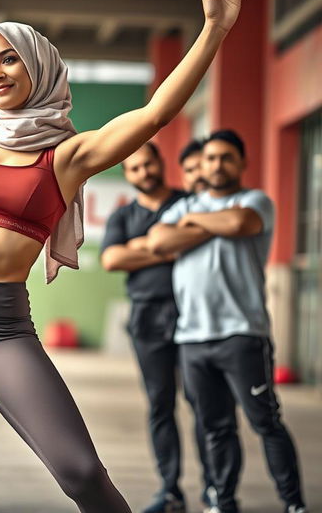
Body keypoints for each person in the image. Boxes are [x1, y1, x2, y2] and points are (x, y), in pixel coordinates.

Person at [0, 0, 248, 513]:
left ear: (39, 65)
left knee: (81, 472)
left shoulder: (67, 157)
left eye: (10, 60)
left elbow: (154, 115)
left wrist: (213, 30)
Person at [148, 129, 307, 513]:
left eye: (226, 158)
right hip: (193, 338)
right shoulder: (186, 205)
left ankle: (294, 504)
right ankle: (224, 502)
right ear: (201, 165)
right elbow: (157, 242)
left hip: (242, 334)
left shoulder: (255, 201)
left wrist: (189, 228)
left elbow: (240, 224)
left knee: (265, 422)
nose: (217, 165)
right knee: (215, 427)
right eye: (211, 158)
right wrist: (205, 224)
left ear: (241, 163)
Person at [100, 142, 216, 513]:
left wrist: (142, 248)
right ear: (127, 175)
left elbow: (200, 241)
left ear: (161, 162)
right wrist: (164, 247)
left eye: (148, 164)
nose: (144, 172)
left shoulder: (187, 203)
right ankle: (170, 490)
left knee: (202, 403)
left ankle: (215, 489)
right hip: (146, 318)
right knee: (160, 405)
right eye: (135, 169)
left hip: (192, 314)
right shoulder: (123, 216)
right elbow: (112, 259)